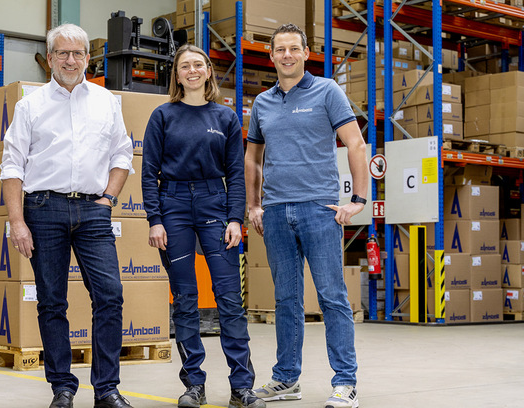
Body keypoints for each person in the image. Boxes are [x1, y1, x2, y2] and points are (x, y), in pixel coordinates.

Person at [0, 23, 134, 408]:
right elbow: (12, 166)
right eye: (63, 53)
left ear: (88, 58)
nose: (71, 60)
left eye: (78, 53)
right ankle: (62, 387)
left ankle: (107, 388)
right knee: (51, 301)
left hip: (93, 209)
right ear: (50, 59)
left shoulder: (107, 101)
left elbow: (122, 155)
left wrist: (109, 198)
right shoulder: (31, 105)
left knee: (110, 295)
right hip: (43, 209)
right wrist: (17, 221)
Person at [245, 24, 367, 408]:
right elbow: (252, 157)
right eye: (279, 49)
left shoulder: (327, 90)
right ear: (271, 56)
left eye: (293, 49)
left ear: (305, 52)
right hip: (277, 212)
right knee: (286, 300)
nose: (286, 55)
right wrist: (253, 205)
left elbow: (355, 142)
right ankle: (286, 380)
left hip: (319, 209)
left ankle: (345, 382)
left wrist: (359, 199)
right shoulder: (262, 103)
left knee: (332, 297)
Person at [142, 44, 265, 408]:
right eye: (185, 66)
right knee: (184, 300)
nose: (192, 71)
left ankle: (242, 386)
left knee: (229, 299)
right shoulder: (162, 116)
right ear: (177, 75)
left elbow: (236, 174)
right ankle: (193, 384)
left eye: (198, 65)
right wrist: (155, 219)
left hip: (215, 203)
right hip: (174, 205)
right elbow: (149, 172)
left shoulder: (225, 118)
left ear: (208, 71)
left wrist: (234, 218)